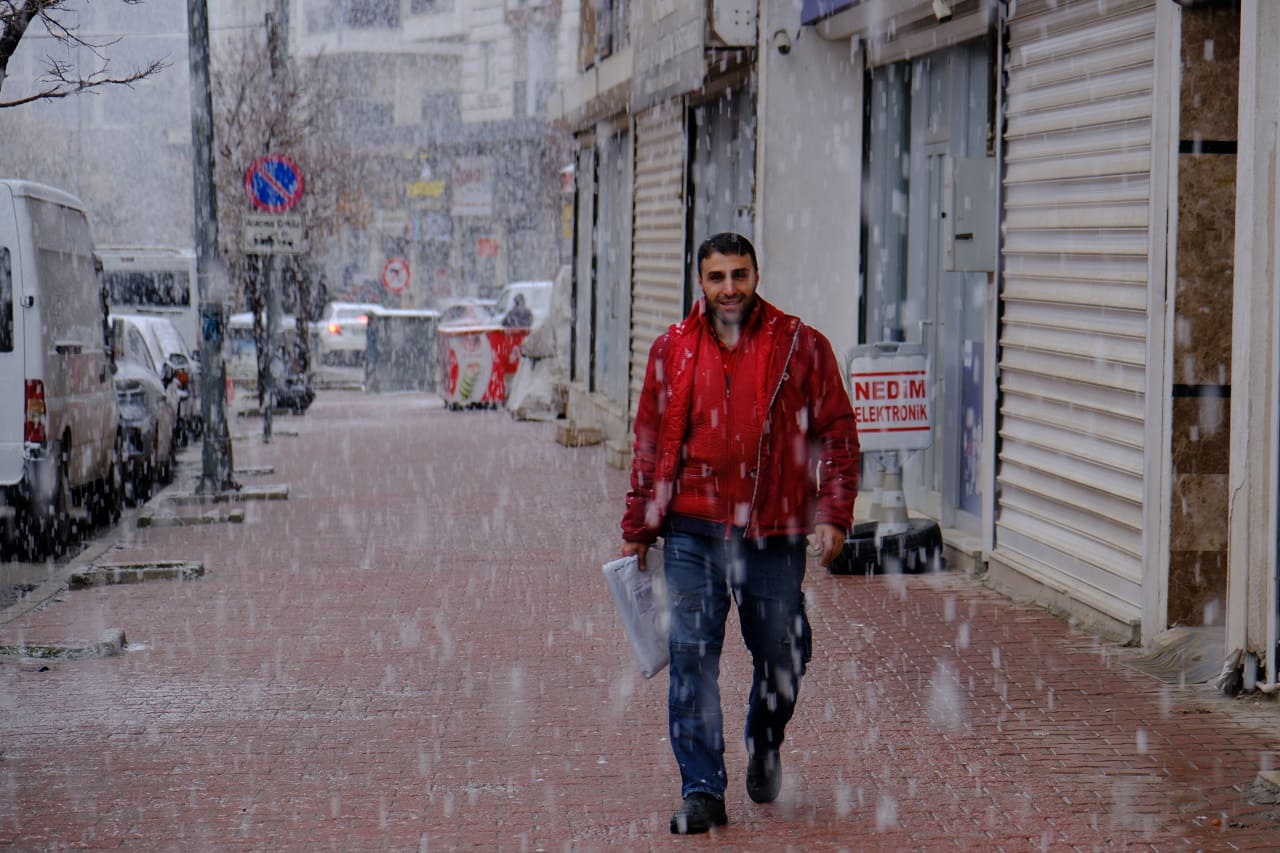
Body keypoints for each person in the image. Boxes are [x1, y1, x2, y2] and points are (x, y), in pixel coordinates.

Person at [620, 232, 860, 834]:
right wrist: (638, 528)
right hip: (692, 534)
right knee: (691, 657)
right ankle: (702, 790)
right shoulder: (672, 350)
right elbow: (649, 445)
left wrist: (834, 512)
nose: (730, 288)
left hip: (772, 532)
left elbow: (837, 433)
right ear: (700, 283)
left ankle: (765, 739)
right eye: (718, 277)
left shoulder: (800, 346)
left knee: (783, 652)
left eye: (740, 275)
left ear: (756, 275)